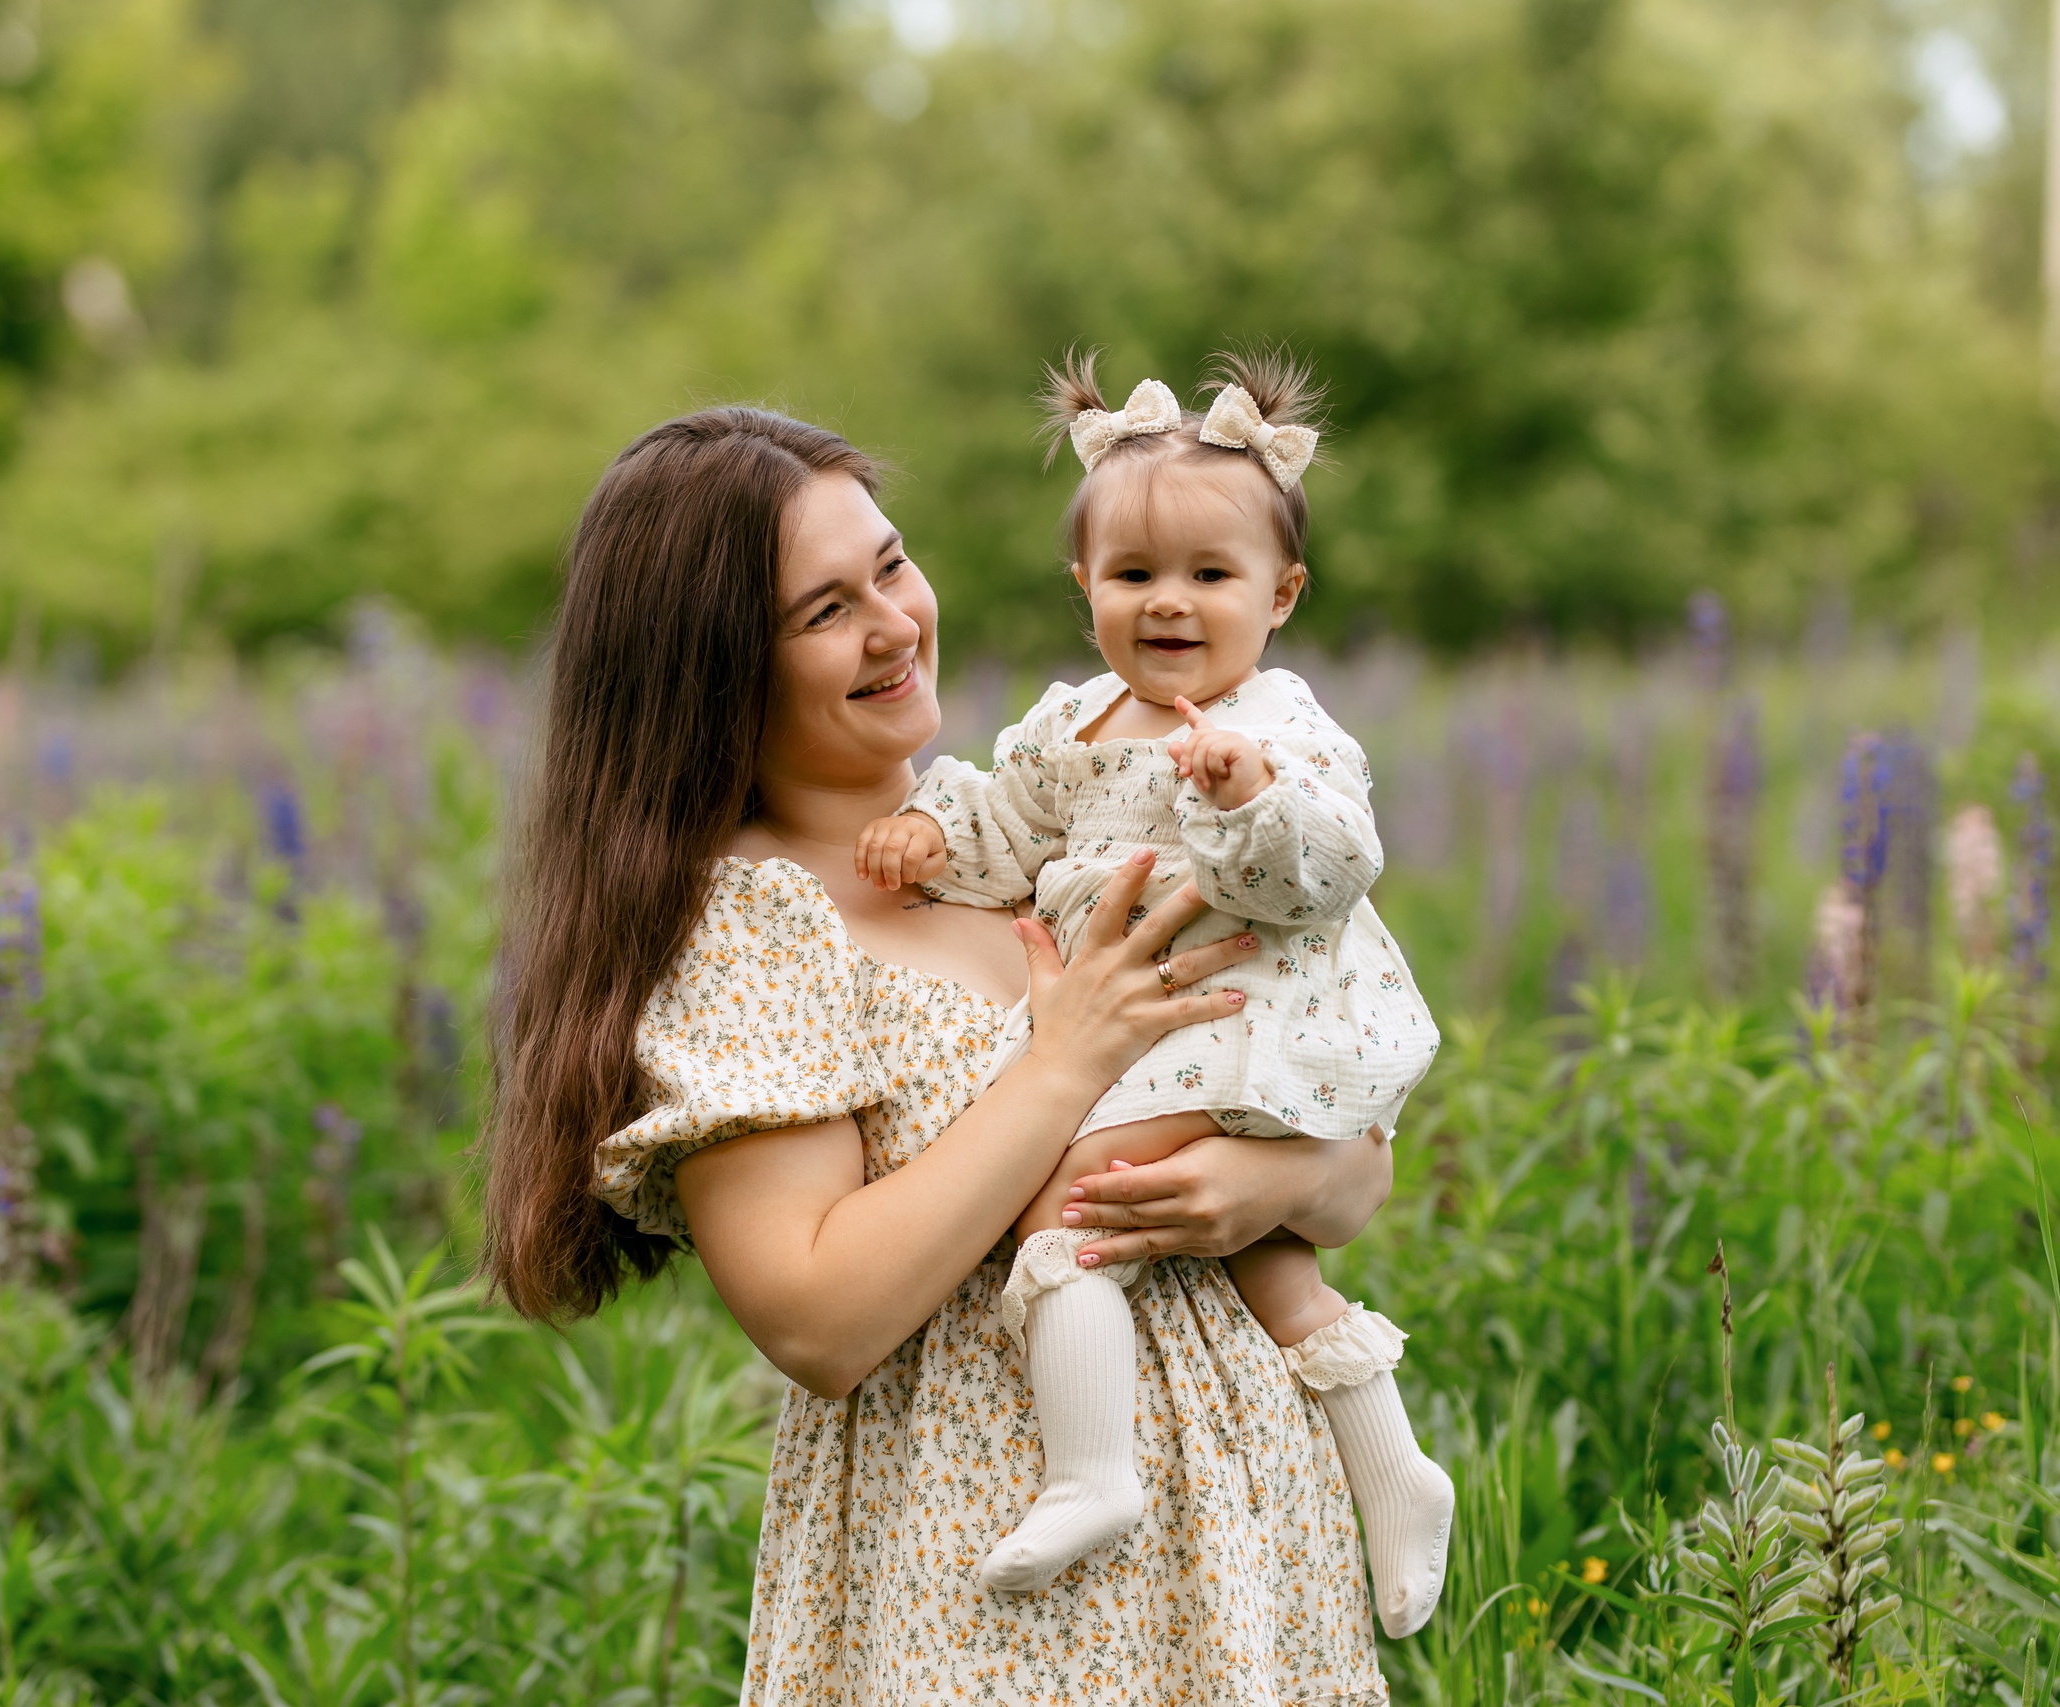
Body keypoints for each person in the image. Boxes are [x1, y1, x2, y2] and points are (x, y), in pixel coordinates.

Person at [483, 403, 1402, 1703]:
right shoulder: (751, 926)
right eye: (822, 611)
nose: (894, 622)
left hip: (1242, 1542)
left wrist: (1267, 1193)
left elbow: (1351, 1160)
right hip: (985, 1589)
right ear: (709, 665)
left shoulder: (1021, 835)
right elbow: (816, 1315)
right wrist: (1062, 1068)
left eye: (892, 563)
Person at [852, 351, 1451, 1632]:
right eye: (1133, 574)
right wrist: (930, 840)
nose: (1168, 603)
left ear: (1281, 594)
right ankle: (1396, 1474)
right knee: (1273, 1274)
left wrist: (1247, 795)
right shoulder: (1071, 727)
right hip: (1155, 1034)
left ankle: (1091, 1471)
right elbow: (1010, 833)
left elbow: (1336, 867)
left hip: (1240, 1021)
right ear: (1083, 586)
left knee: (1071, 1209)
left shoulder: (1280, 729)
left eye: (1209, 576)